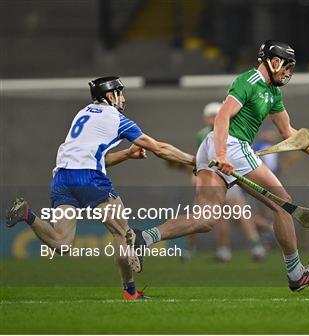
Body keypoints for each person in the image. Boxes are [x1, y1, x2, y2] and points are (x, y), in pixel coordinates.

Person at [130, 40, 309, 292]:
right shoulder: (248, 81)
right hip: (231, 146)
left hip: (214, 149)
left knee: (205, 219)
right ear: (273, 61)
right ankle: (296, 273)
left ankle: (143, 238)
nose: (288, 72)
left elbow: (288, 132)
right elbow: (223, 116)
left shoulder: (274, 93)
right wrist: (223, 154)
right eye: (286, 66)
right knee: (283, 203)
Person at [5, 76, 195, 300]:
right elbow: (159, 148)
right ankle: (130, 293)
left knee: (62, 243)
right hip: (90, 179)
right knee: (124, 236)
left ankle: (28, 214)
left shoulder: (83, 112)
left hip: (62, 178)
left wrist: (126, 153)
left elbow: (95, 157)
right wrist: (193, 161)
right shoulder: (116, 117)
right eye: (120, 93)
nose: (123, 98)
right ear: (109, 95)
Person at [182, 101, 266, 262]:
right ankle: (214, 250)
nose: (213, 118)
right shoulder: (202, 135)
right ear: (205, 118)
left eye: (216, 115)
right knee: (208, 216)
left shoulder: (233, 131)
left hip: (229, 177)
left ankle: (256, 247)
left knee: (240, 211)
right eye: (210, 116)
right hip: (212, 180)